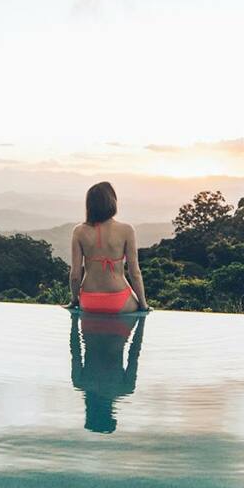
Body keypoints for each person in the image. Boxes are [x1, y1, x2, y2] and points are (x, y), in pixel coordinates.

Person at [69, 181, 149, 314]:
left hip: (89, 300)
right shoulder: (127, 230)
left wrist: (74, 300)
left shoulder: (79, 231)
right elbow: (134, 273)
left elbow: (75, 275)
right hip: (119, 298)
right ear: (112, 202)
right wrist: (143, 304)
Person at [70, 311, 145, 433]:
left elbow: (134, 353)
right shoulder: (80, 383)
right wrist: (74, 321)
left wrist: (141, 320)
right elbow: (75, 350)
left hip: (118, 327)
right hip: (92, 325)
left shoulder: (125, 388)